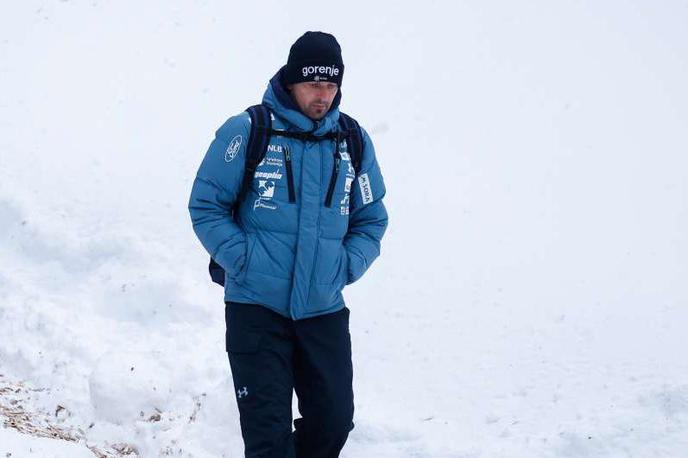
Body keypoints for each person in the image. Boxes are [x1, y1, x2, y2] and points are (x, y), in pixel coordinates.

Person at [188, 31, 388, 457]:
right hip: (256, 310)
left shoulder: (353, 141)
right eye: (314, 84)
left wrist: (345, 266)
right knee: (268, 437)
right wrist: (243, 260)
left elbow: (371, 218)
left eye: (332, 85)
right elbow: (206, 206)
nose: (324, 96)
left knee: (333, 422)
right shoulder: (247, 130)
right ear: (292, 81)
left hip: (323, 311)